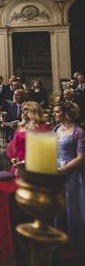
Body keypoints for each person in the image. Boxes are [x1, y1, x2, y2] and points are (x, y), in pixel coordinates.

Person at [52, 102, 85, 256]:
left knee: (72, 206)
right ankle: (59, 236)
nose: (54, 114)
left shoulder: (78, 132)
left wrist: (64, 169)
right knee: (57, 206)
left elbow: (81, 157)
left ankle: (75, 243)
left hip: (72, 173)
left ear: (65, 113)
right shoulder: (56, 129)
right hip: (56, 171)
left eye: (57, 112)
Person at [6, 101, 51, 167]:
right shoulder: (22, 126)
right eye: (22, 109)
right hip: (19, 161)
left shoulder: (44, 127)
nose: (23, 111)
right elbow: (13, 144)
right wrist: (13, 158)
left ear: (33, 111)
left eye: (26, 109)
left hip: (36, 162)